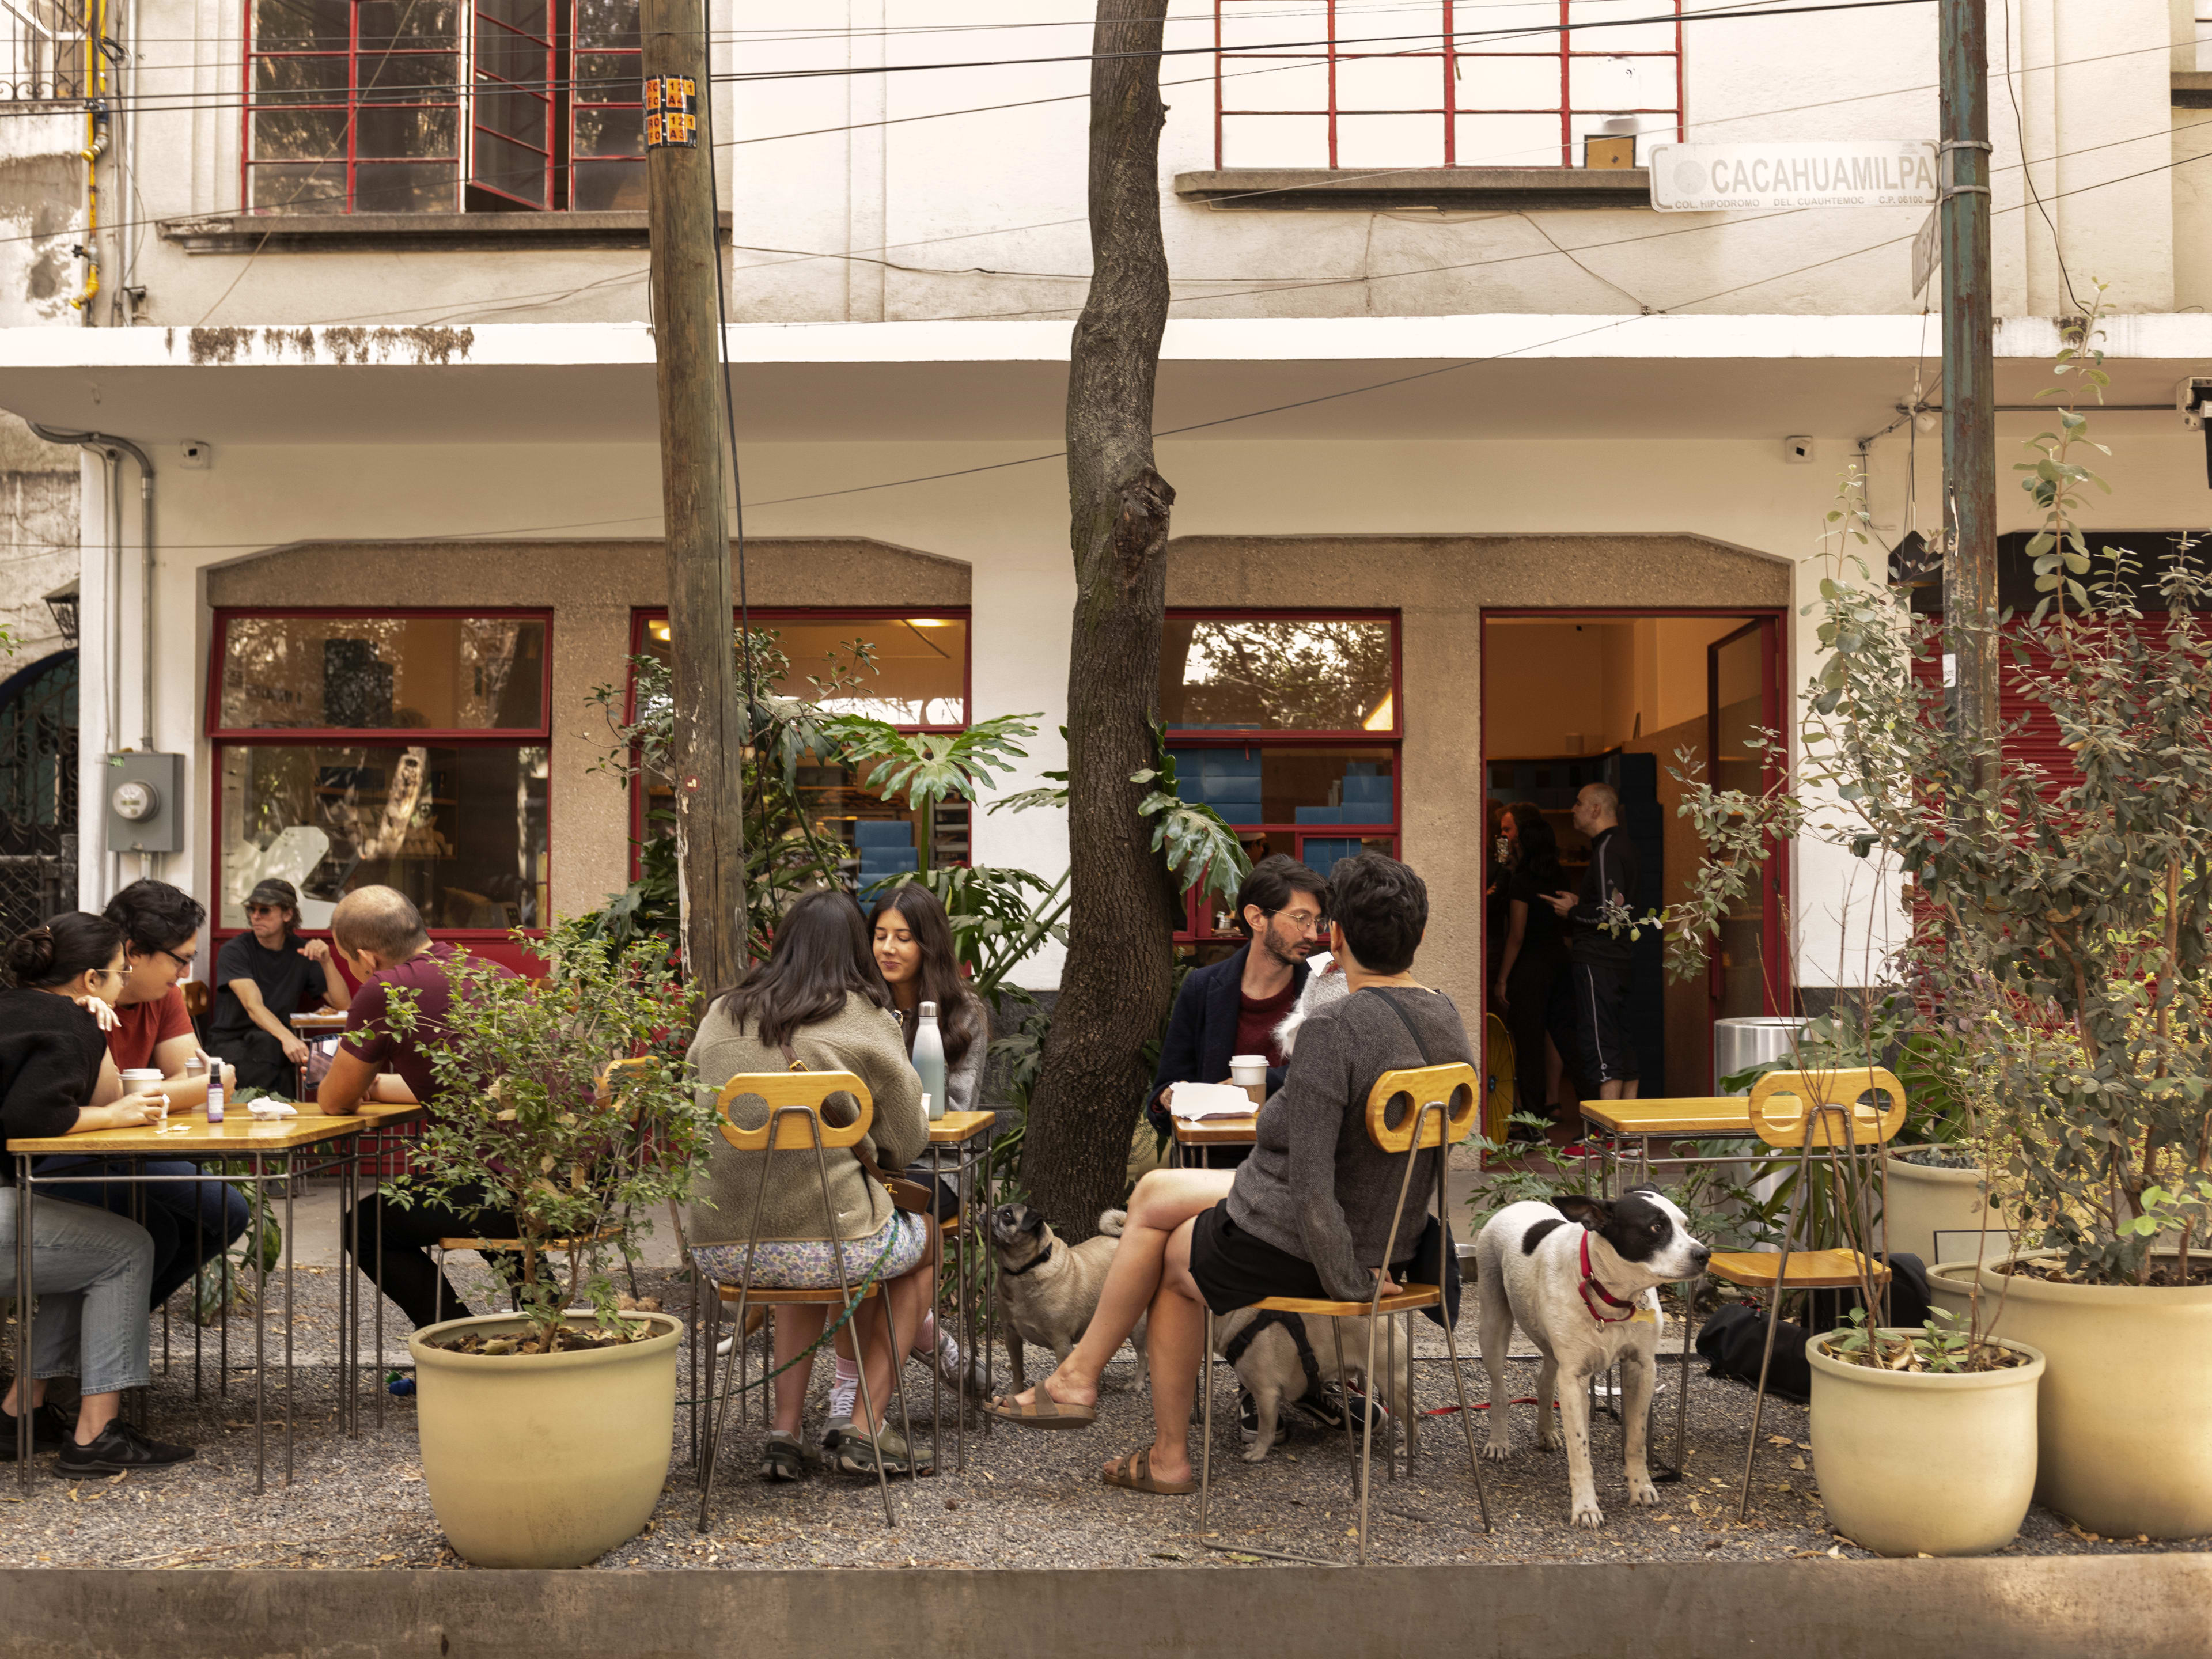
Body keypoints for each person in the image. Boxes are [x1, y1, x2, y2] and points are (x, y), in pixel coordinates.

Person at [991, 852, 1462, 1501]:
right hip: (1387, 1232)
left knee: (1174, 1259)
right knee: (1156, 1194)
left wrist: (1352, 1277)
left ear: (1339, 937)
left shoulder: (1334, 1025)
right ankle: (1080, 1378)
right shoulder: (1446, 1014)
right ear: (1422, 935)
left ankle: (1161, 1450)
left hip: (1320, 1233)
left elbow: (1303, 1166)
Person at [688, 887, 936, 1482]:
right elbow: (907, 1138)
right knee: (925, 1242)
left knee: (799, 1227)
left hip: (726, 1246)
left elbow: (693, 1111)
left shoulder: (722, 1012)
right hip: (832, 1246)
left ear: (783, 944)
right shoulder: (866, 1018)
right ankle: (865, 1423)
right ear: (856, 948)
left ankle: (784, 1433)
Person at [0, 914, 196, 1473]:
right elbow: (30, 1118)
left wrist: (94, 1028)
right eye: (119, 972)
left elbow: (93, 1090)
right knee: (126, 1248)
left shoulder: (25, 1009)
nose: (126, 980)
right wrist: (112, 1115)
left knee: (83, 1241)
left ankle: (20, 1414)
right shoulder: (63, 1022)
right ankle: (95, 1436)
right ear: (91, 979)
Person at [40, 880, 255, 1310]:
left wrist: (188, 1088)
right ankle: (97, 1339)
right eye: (181, 960)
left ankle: (115, 1327)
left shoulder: (165, 996)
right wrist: (202, 1085)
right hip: (62, 1148)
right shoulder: (81, 994)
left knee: (225, 1211)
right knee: (161, 1226)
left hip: (129, 1146)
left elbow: (181, 1077)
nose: (185, 974)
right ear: (134, 952)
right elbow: (110, 1101)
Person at [317, 886, 517, 1328]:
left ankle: (451, 1341)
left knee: (364, 1227)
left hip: (510, 1192)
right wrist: (376, 1085)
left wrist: (352, 1082)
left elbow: (333, 1102)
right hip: (576, 1182)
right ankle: (543, 1314)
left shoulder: (384, 989)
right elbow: (469, 1085)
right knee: (464, 1185)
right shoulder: (489, 971)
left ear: (366, 958)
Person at [1145, 855, 1329, 1148]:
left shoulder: (1325, 987)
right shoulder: (1202, 988)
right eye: (1301, 919)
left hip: (1297, 1158)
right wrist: (1170, 1097)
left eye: (1317, 921)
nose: (1312, 933)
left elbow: (1325, 1076)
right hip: (1217, 1156)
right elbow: (1165, 1089)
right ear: (1257, 918)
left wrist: (1250, 1086)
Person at [1545, 782, 1642, 1101]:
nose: (1573, 809)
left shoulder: (1606, 848)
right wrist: (1580, 904)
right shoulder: (1625, 845)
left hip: (1598, 961)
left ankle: (1606, 1138)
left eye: (1578, 802)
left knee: (1601, 1046)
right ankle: (1627, 1140)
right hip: (1622, 958)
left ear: (1596, 809)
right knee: (1624, 1044)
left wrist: (1572, 912)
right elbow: (1618, 908)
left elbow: (1611, 915)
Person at [209, 878, 350, 1095]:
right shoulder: (235, 950)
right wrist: (288, 1038)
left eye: (265, 910)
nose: (255, 916)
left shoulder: (302, 951)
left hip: (274, 1047)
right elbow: (253, 1006)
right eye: (251, 909)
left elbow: (343, 1005)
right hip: (233, 1045)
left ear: (287, 915)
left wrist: (327, 961)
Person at [1492, 805, 1573, 1128]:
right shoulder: (1561, 875)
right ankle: (1564, 1105)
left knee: (1528, 1042)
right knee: (1563, 1036)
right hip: (1560, 962)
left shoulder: (1522, 882)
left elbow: (1516, 935)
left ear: (1523, 843)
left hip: (1530, 968)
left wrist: (1502, 978)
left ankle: (1532, 1118)